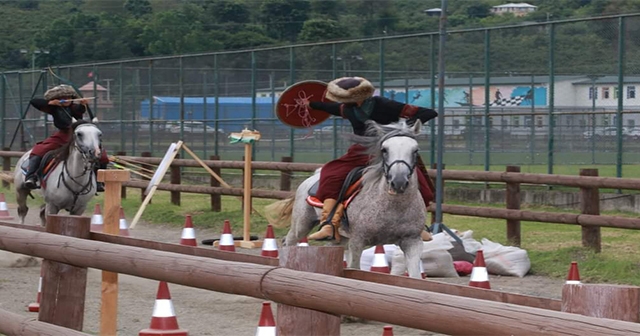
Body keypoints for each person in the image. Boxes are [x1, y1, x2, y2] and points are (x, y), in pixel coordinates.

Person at [306, 76, 438, 241]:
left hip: (391, 150)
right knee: (331, 173)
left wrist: (401, 130)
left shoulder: (383, 104)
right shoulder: (349, 109)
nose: (343, 101)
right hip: (361, 152)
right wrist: (310, 104)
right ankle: (329, 224)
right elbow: (329, 107)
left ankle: (418, 226)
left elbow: (429, 113)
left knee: (418, 181)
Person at [25, 84, 108, 191]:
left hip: (79, 135)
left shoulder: (74, 107)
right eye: (62, 98)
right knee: (38, 150)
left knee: (103, 156)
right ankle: (31, 177)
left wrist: (83, 105)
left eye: (69, 97)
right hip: (62, 135)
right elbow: (34, 101)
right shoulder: (53, 108)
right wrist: (50, 102)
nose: (66, 100)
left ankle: (98, 182)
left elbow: (79, 110)